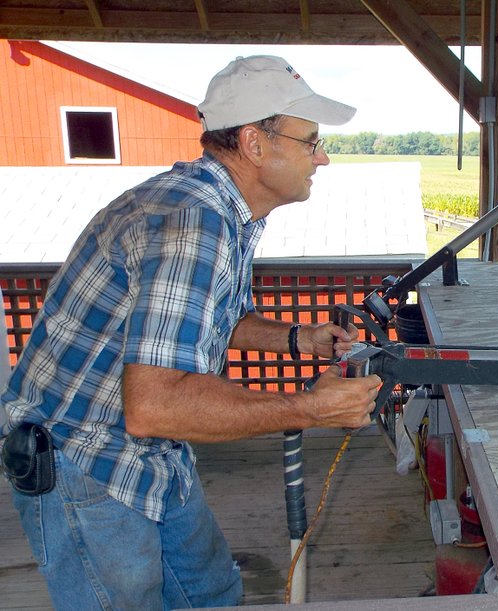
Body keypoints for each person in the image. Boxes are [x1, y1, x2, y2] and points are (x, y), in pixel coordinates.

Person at [0, 55, 382, 609]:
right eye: (311, 141)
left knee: (212, 594)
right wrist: (310, 409)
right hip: (84, 458)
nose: (321, 158)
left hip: (152, 452)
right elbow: (154, 406)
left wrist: (299, 339)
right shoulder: (192, 222)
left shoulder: (223, 210)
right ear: (254, 143)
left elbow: (211, 321)